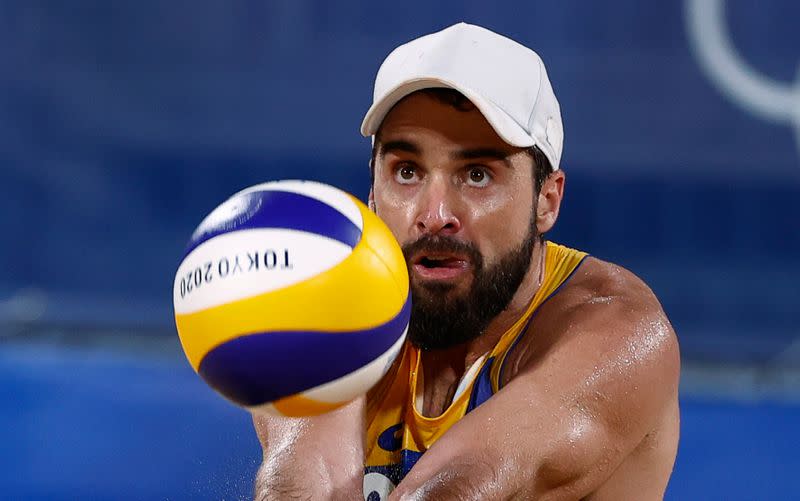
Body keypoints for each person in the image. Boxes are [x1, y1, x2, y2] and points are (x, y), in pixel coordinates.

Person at [253, 22, 680, 500]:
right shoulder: (322, 307)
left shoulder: (616, 334)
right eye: (407, 171)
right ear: (373, 193)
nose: (434, 216)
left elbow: (463, 488)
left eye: (477, 175)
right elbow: (299, 488)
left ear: (547, 200)